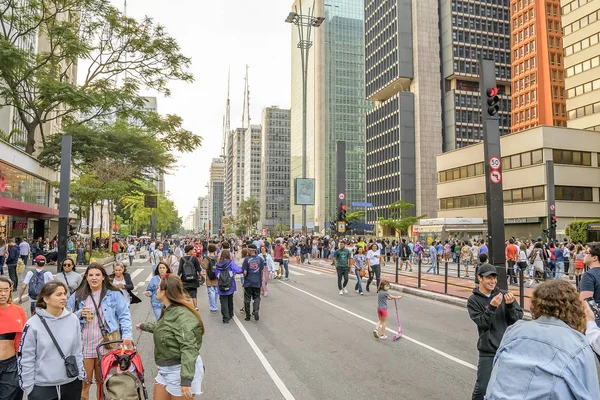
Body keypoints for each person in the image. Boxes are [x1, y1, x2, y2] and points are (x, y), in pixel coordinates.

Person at [486, 280, 600, 399]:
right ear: (574, 307)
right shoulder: (578, 344)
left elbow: (497, 368)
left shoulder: (514, 330)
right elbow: (590, 394)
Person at [66, 263, 133, 400]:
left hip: (107, 345)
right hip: (83, 345)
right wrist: (79, 313)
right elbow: (65, 314)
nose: (94, 278)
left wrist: (127, 336)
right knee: (84, 383)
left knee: (104, 383)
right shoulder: (78, 295)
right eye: (91, 275)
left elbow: (124, 316)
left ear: (103, 277)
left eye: (97, 275)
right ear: (86, 277)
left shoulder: (114, 294)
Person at [137, 274, 205, 399]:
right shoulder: (169, 310)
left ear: (163, 292)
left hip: (180, 370)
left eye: (158, 288)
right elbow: (164, 328)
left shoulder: (182, 315)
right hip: (165, 370)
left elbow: (188, 347)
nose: (156, 290)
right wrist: (143, 326)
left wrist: (185, 380)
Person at [18, 281, 86, 399]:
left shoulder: (73, 319)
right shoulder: (33, 324)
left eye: (64, 294)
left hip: (71, 382)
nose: (64, 297)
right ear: (46, 299)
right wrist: (28, 387)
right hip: (42, 386)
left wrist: (80, 374)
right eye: (58, 294)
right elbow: (26, 357)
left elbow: (77, 350)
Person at [467, 264, 523, 400]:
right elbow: (482, 322)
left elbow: (517, 319)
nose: (492, 281)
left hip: (508, 348)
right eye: (488, 278)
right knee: (482, 387)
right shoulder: (473, 300)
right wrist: (491, 307)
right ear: (480, 278)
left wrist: (510, 306)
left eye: (494, 278)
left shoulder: (504, 295)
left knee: (510, 386)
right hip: (488, 350)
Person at [0, 276, 26, 400]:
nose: (3, 294)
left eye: (6, 290)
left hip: (11, 365)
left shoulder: (18, 311)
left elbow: (24, 340)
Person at [215, 249, 243, 323]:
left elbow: (216, 275)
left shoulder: (218, 264)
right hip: (230, 284)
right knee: (230, 299)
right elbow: (239, 270)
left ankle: (225, 317)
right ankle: (230, 313)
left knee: (223, 301)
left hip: (221, 284)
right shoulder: (231, 263)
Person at [580, 242, 600, 326]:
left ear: (594, 257)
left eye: (586, 253)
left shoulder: (589, 275)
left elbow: (586, 302)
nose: (584, 255)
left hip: (595, 321)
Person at [242, 244, 264, 322]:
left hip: (248, 282)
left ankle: (247, 315)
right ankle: (255, 310)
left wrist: (244, 277)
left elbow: (245, 272)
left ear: (250, 250)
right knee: (257, 297)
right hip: (257, 281)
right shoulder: (260, 259)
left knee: (247, 298)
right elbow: (261, 271)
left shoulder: (246, 260)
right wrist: (260, 280)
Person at [177, 245, 203, 310]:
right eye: (192, 250)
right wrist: (200, 275)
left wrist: (178, 278)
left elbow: (180, 270)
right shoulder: (194, 258)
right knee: (194, 292)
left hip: (184, 279)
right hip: (194, 279)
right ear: (190, 250)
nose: (193, 251)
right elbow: (198, 268)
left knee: (185, 292)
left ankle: (186, 305)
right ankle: (195, 306)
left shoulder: (182, 259)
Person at [201, 244, 219, 314]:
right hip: (216, 277)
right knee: (216, 291)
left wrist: (201, 263)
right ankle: (214, 305)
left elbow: (204, 267)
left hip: (209, 277)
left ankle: (213, 307)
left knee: (211, 292)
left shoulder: (206, 258)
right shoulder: (217, 258)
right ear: (215, 250)